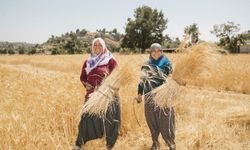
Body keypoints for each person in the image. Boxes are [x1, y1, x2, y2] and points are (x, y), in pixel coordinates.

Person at [73, 38, 120, 150]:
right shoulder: (88, 61)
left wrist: (112, 86)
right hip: (92, 95)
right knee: (85, 118)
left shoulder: (110, 60)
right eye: (95, 45)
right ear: (92, 47)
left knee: (110, 120)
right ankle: (79, 144)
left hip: (107, 96)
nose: (97, 47)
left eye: (99, 45)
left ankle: (109, 145)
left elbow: (117, 76)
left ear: (104, 46)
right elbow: (83, 77)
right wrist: (86, 84)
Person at [137, 43, 176, 150]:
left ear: (162, 51)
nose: (156, 52)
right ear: (150, 52)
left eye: (159, 50)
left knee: (165, 120)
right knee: (151, 120)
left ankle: (171, 143)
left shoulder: (167, 63)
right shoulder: (146, 65)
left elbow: (174, 78)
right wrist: (139, 94)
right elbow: (141, 81)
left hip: (163, 96)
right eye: (153, 50)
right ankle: (155, 143)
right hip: (149, 96)